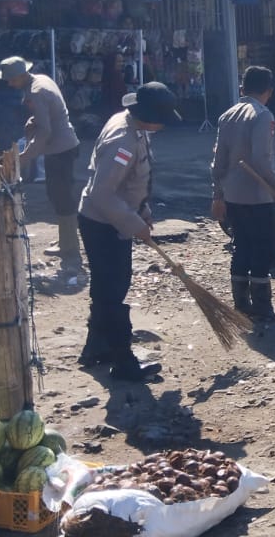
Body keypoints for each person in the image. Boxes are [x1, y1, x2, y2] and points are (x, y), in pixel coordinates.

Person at [77, 82, 178, 382]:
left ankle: (95, 349)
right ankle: (124, 362)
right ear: (148, 116)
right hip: (103, 223)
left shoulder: (132, 127)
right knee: (114, 291)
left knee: (106, 288)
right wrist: (134, 225)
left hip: (111, 219)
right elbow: (102, 194)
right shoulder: (122, 141)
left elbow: (129, 183)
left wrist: (142, 209)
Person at [211, 66, 275, 321]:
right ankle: (261, 306)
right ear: (269, 91)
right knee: (265, 248)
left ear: (242, 89)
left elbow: (218, 160)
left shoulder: (227, 115)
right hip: (258, 195)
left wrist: (217, 193)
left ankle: (241, 302)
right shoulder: (262, 115)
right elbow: (262, 159)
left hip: (233, 194)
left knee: (242, 246)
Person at [0, 56, 83, 276]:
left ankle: (70, 248)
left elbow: (45, 132)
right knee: (60, 195)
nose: (9, 84)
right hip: (67, 145)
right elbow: (51, 114)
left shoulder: (36, 92)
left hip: (59, 149)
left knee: (61, 197)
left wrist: (26, 157)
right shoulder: (42, 80)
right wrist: (34, 123)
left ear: (20, 76)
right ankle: (67, 241)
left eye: (10, 80)